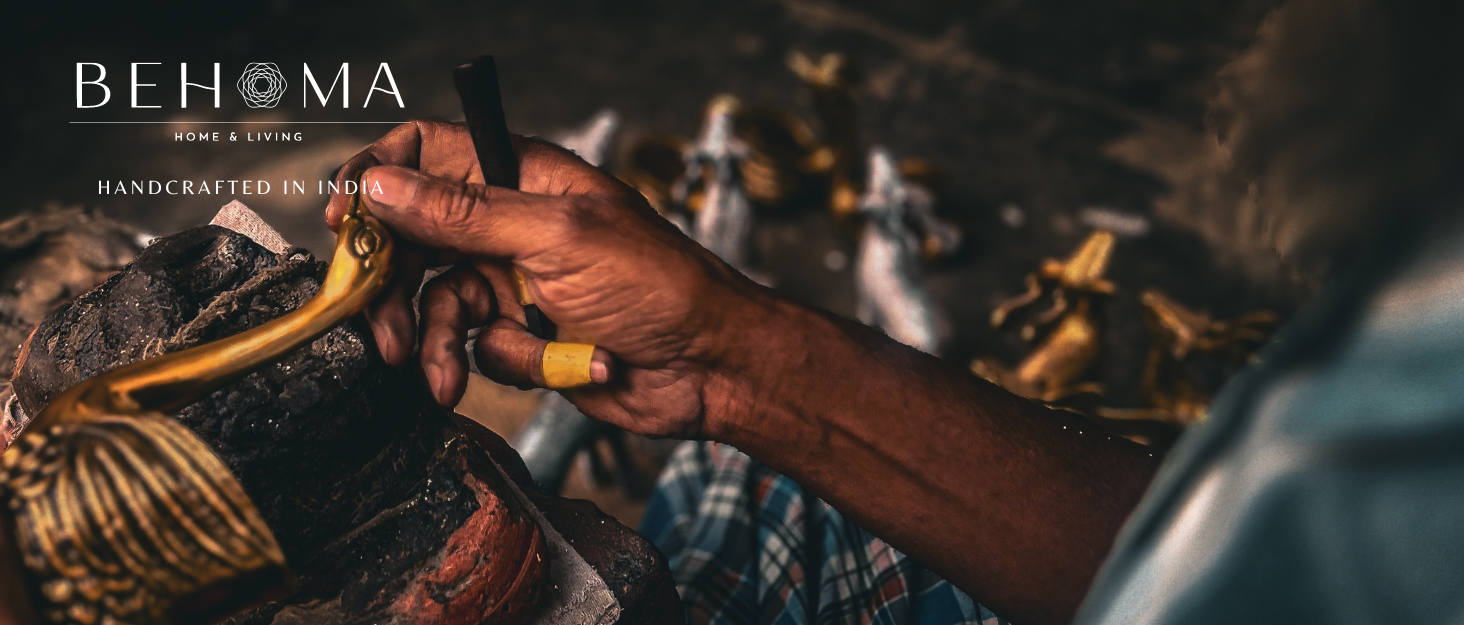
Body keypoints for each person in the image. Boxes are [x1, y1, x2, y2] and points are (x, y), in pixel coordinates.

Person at [319, 1, 1464, 624]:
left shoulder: (1392, 469)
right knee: (765, 475)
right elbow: (1172, 547)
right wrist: (734, 356)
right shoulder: (1394, 387)